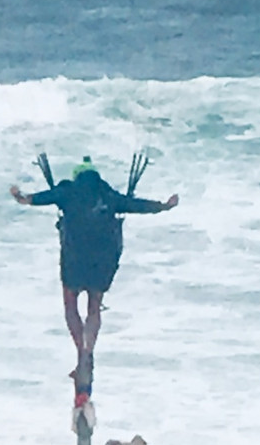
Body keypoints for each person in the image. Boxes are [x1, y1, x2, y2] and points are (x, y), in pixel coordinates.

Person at [10, 156, 179, 387]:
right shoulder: (109, 195)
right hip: (104, 259)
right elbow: (139, 205)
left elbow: (35, 199)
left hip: (75, 257)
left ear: (77, 177)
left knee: (71, 304)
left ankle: (81, 351)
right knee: (93, 306)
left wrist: (20, 196)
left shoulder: (66, 191)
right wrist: (165, 205)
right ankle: (89, 349)